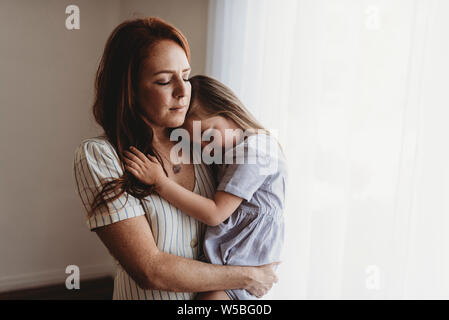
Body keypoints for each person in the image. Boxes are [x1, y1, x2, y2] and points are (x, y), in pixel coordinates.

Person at [72, 17, 279, 300]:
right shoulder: (100, 156)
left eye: (186, 75)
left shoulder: (202, 142)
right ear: (129, 90)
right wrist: (248, 276)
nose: (183, 92)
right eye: (164, 81)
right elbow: (150, 270)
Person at [124, 75, 287, 300]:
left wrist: (161, 183)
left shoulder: (255, 150)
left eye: (208, 135)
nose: (204, 147)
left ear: (229, 110)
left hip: (242, 261)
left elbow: (215, 213)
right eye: (195, 143)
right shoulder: (229, 152)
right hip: (231, 262)